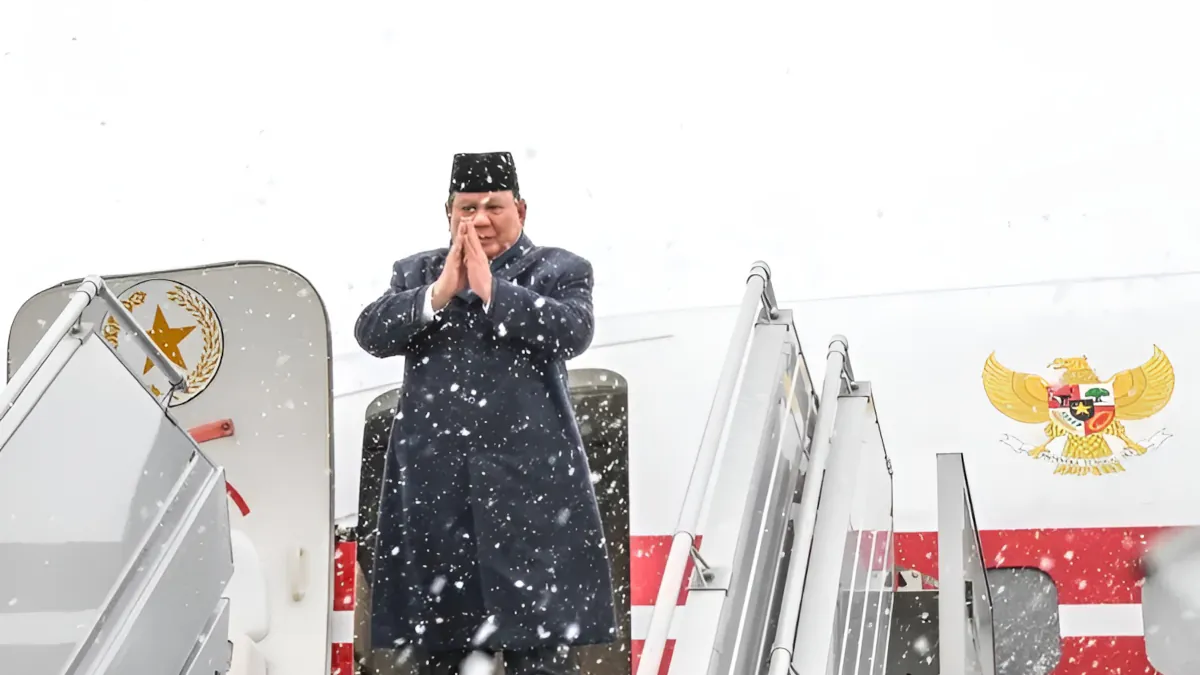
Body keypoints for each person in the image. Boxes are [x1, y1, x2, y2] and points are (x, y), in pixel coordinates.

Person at [355, 151, 617, 675]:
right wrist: (439, 293)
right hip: (439, 501)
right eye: (465, 208)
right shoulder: (417, 273)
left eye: (492, 207)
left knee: (542, 657)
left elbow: (573, 331)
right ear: (447, 212)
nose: (477, 221)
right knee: (442, 657)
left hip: (533, 502)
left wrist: (494, 290)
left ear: (521, 208)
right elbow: (371, 332)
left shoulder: (560, 269)